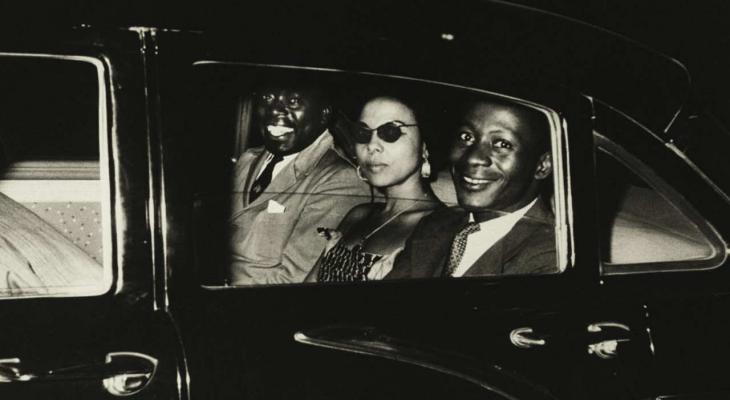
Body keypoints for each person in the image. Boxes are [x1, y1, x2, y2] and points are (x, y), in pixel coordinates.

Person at [387, 99, 557, 279]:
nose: (472, 158)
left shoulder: (552, 255)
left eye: (502, 144)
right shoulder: (436, 224)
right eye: (466, 137)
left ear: (542, 166)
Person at [228, 82, 370, 285]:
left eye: (293, 101)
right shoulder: (248, 159)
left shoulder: (340, 180)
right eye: (268, 99)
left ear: (323, 115)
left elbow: (294, 281)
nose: (274, 110)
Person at [305, 96, 442, 282]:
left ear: (424, 147)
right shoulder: (358, 215)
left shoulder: (439, 227)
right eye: (363, 134)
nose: (372, 146)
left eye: (390, 132)